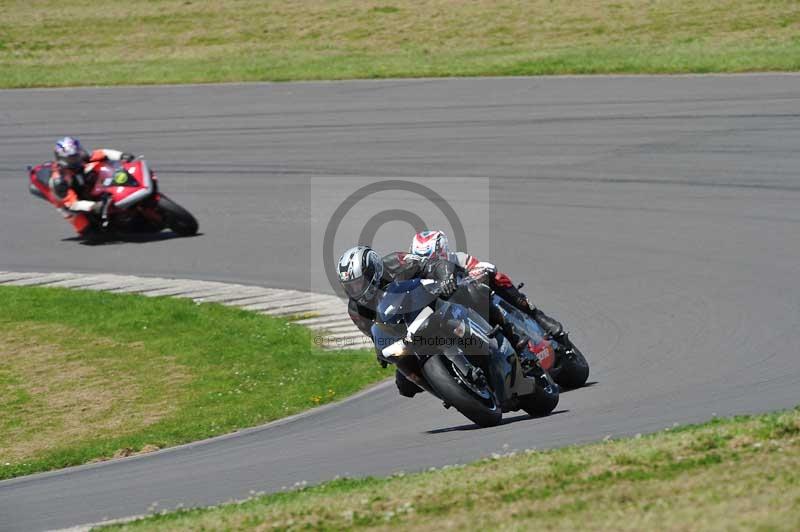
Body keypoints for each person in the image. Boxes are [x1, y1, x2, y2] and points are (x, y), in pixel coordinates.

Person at [408, 230, 566, 341]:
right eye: (420, 257)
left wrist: (476, 275)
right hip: (446, 314)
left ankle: (536, 315)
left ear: (442, 252)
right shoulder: (412, 274)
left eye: (430, 257)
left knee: (496, 277)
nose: (426, 262)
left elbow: (484, 266)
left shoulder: (456, 259)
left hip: (473, 301)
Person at [49, 136, 135, 223]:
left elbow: (103, 153)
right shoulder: (60, 180)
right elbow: (72, 204)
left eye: (78, 154)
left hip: (86, 186)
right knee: (87, 229)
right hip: (71, 203)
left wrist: (121, 155)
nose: (78, 158)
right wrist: (93, 206)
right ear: (62, 159)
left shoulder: (81, 157)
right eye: (73, 157)